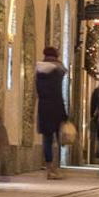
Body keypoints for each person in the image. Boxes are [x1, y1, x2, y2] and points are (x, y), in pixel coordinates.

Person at [35, 46, 68, 180]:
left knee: (47, 139)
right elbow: (58, 92)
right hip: (56, 106)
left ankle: (49, 168)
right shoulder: (57, 71)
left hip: (43, 107)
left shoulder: (39, 70)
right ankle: (55, 168)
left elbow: (37, 90)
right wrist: (64, 113)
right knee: (58, 138)